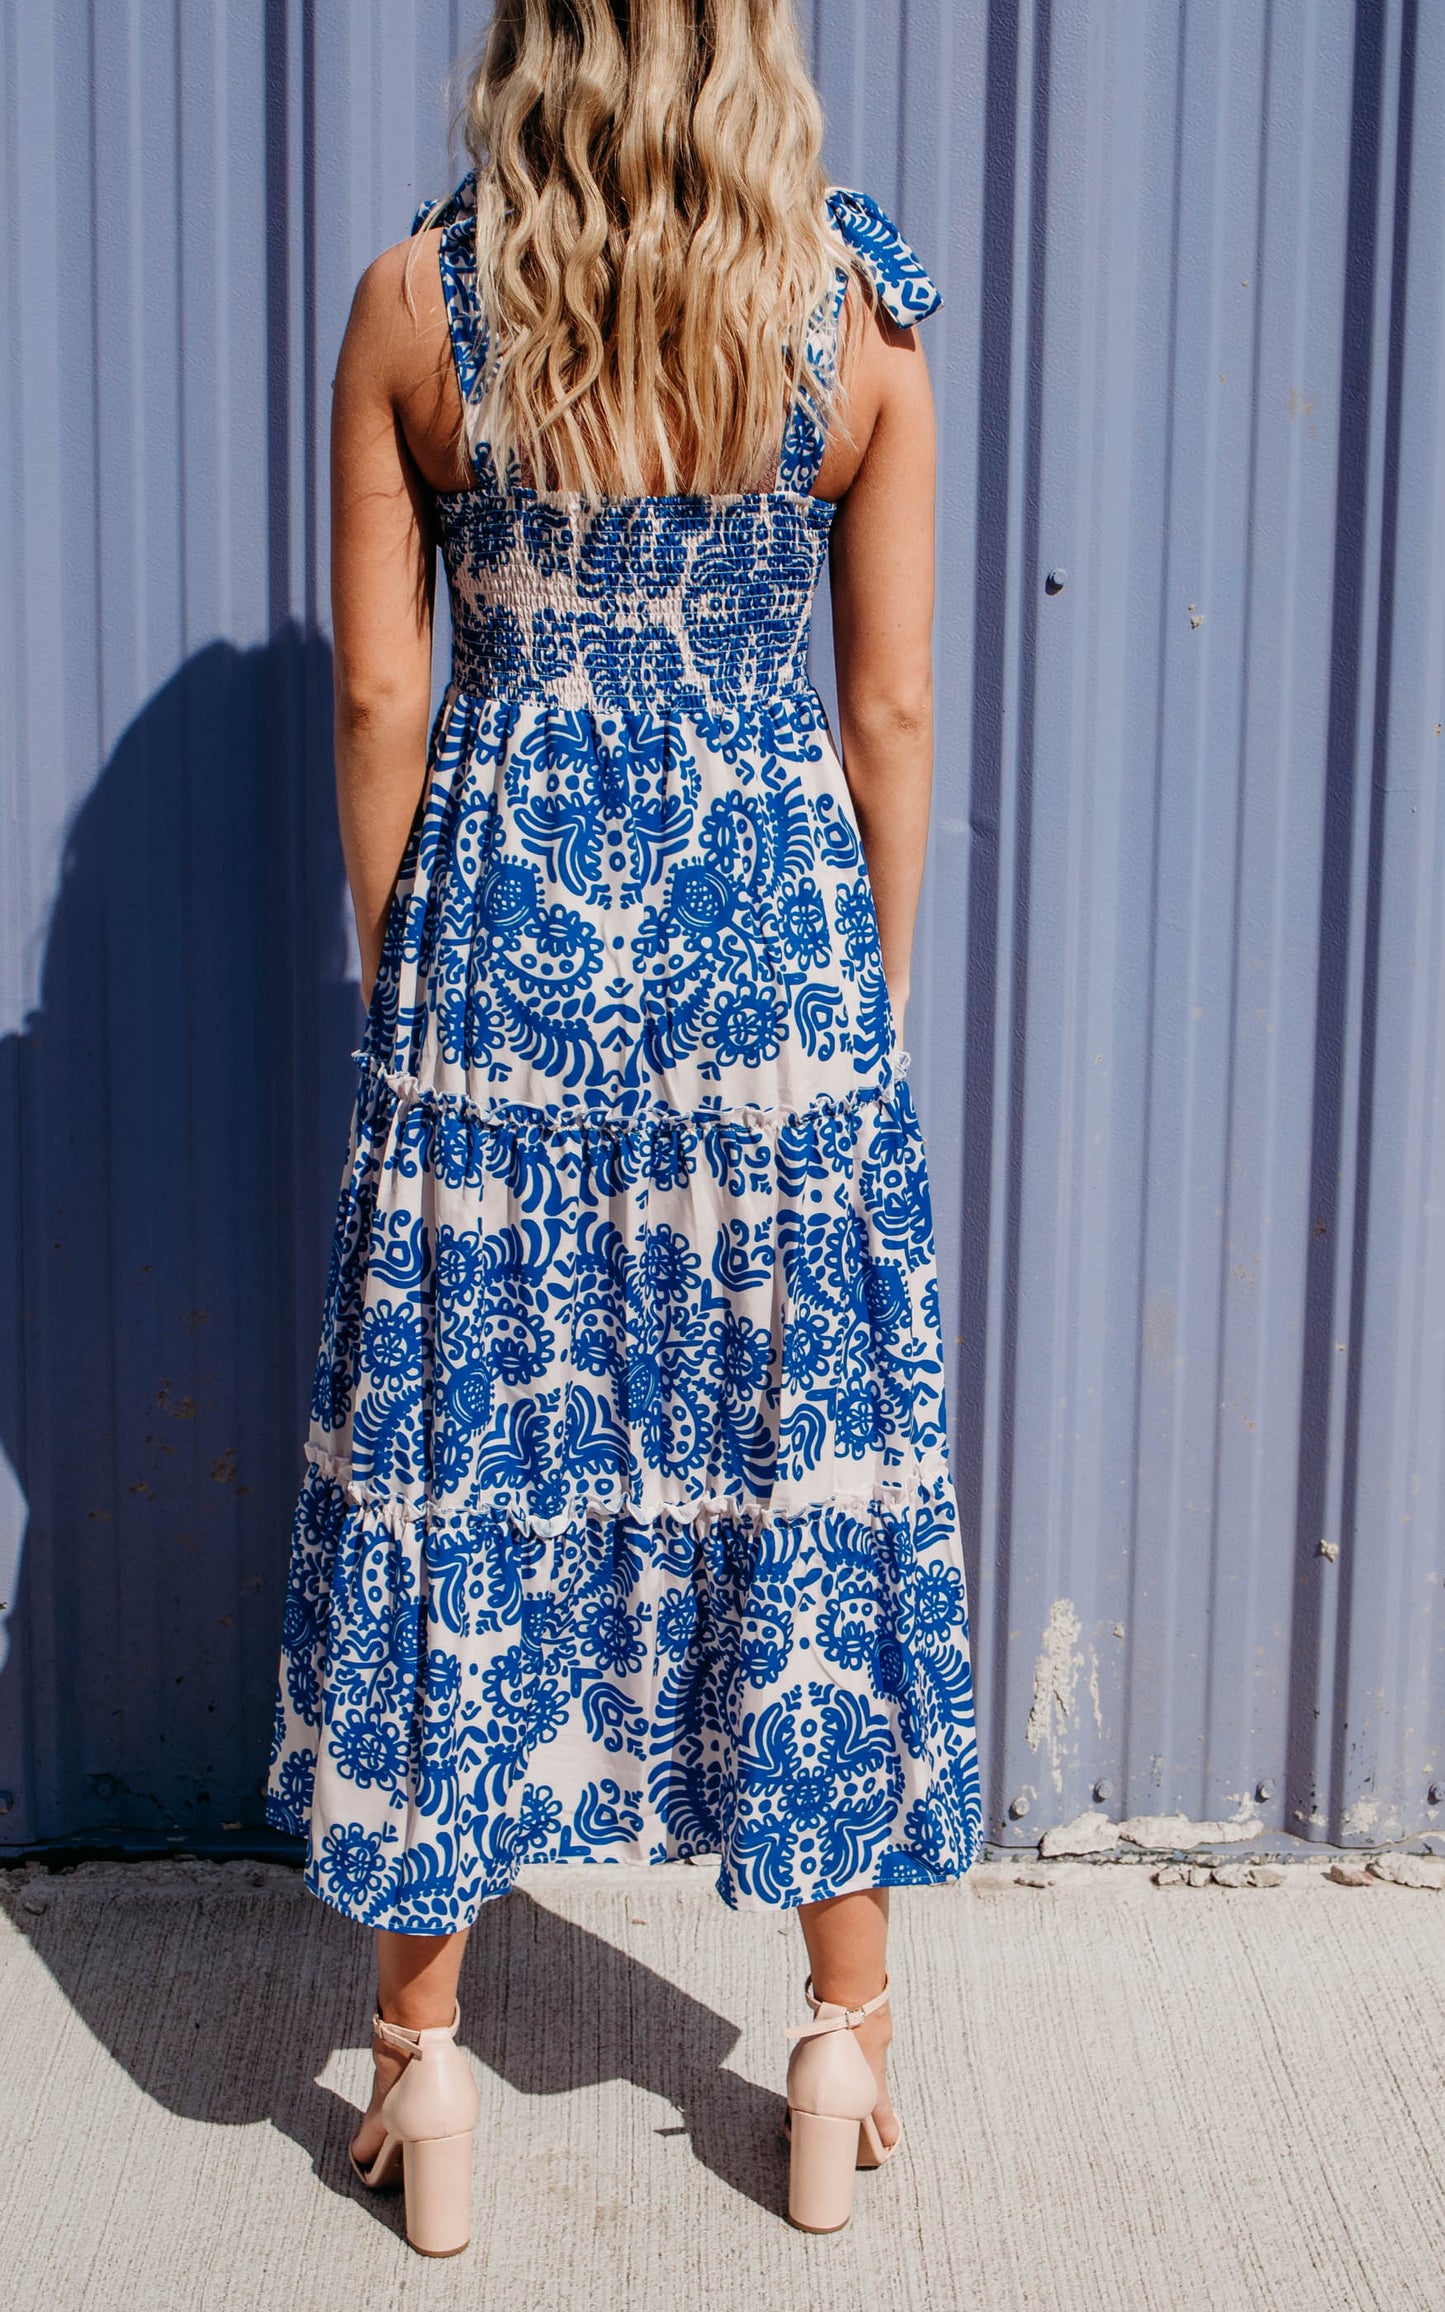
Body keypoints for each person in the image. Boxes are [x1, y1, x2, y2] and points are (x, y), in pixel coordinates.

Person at [267, 0, 982, 2252]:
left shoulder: (418, 304)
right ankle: (839, 2046)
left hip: (506, 949)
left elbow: (388, 691)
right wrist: (844, 997)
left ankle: (424, 2078)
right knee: (800, 1436)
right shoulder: (855, 322)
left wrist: (418, 983)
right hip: (769, 948)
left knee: (463, 1448)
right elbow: (887, 703)